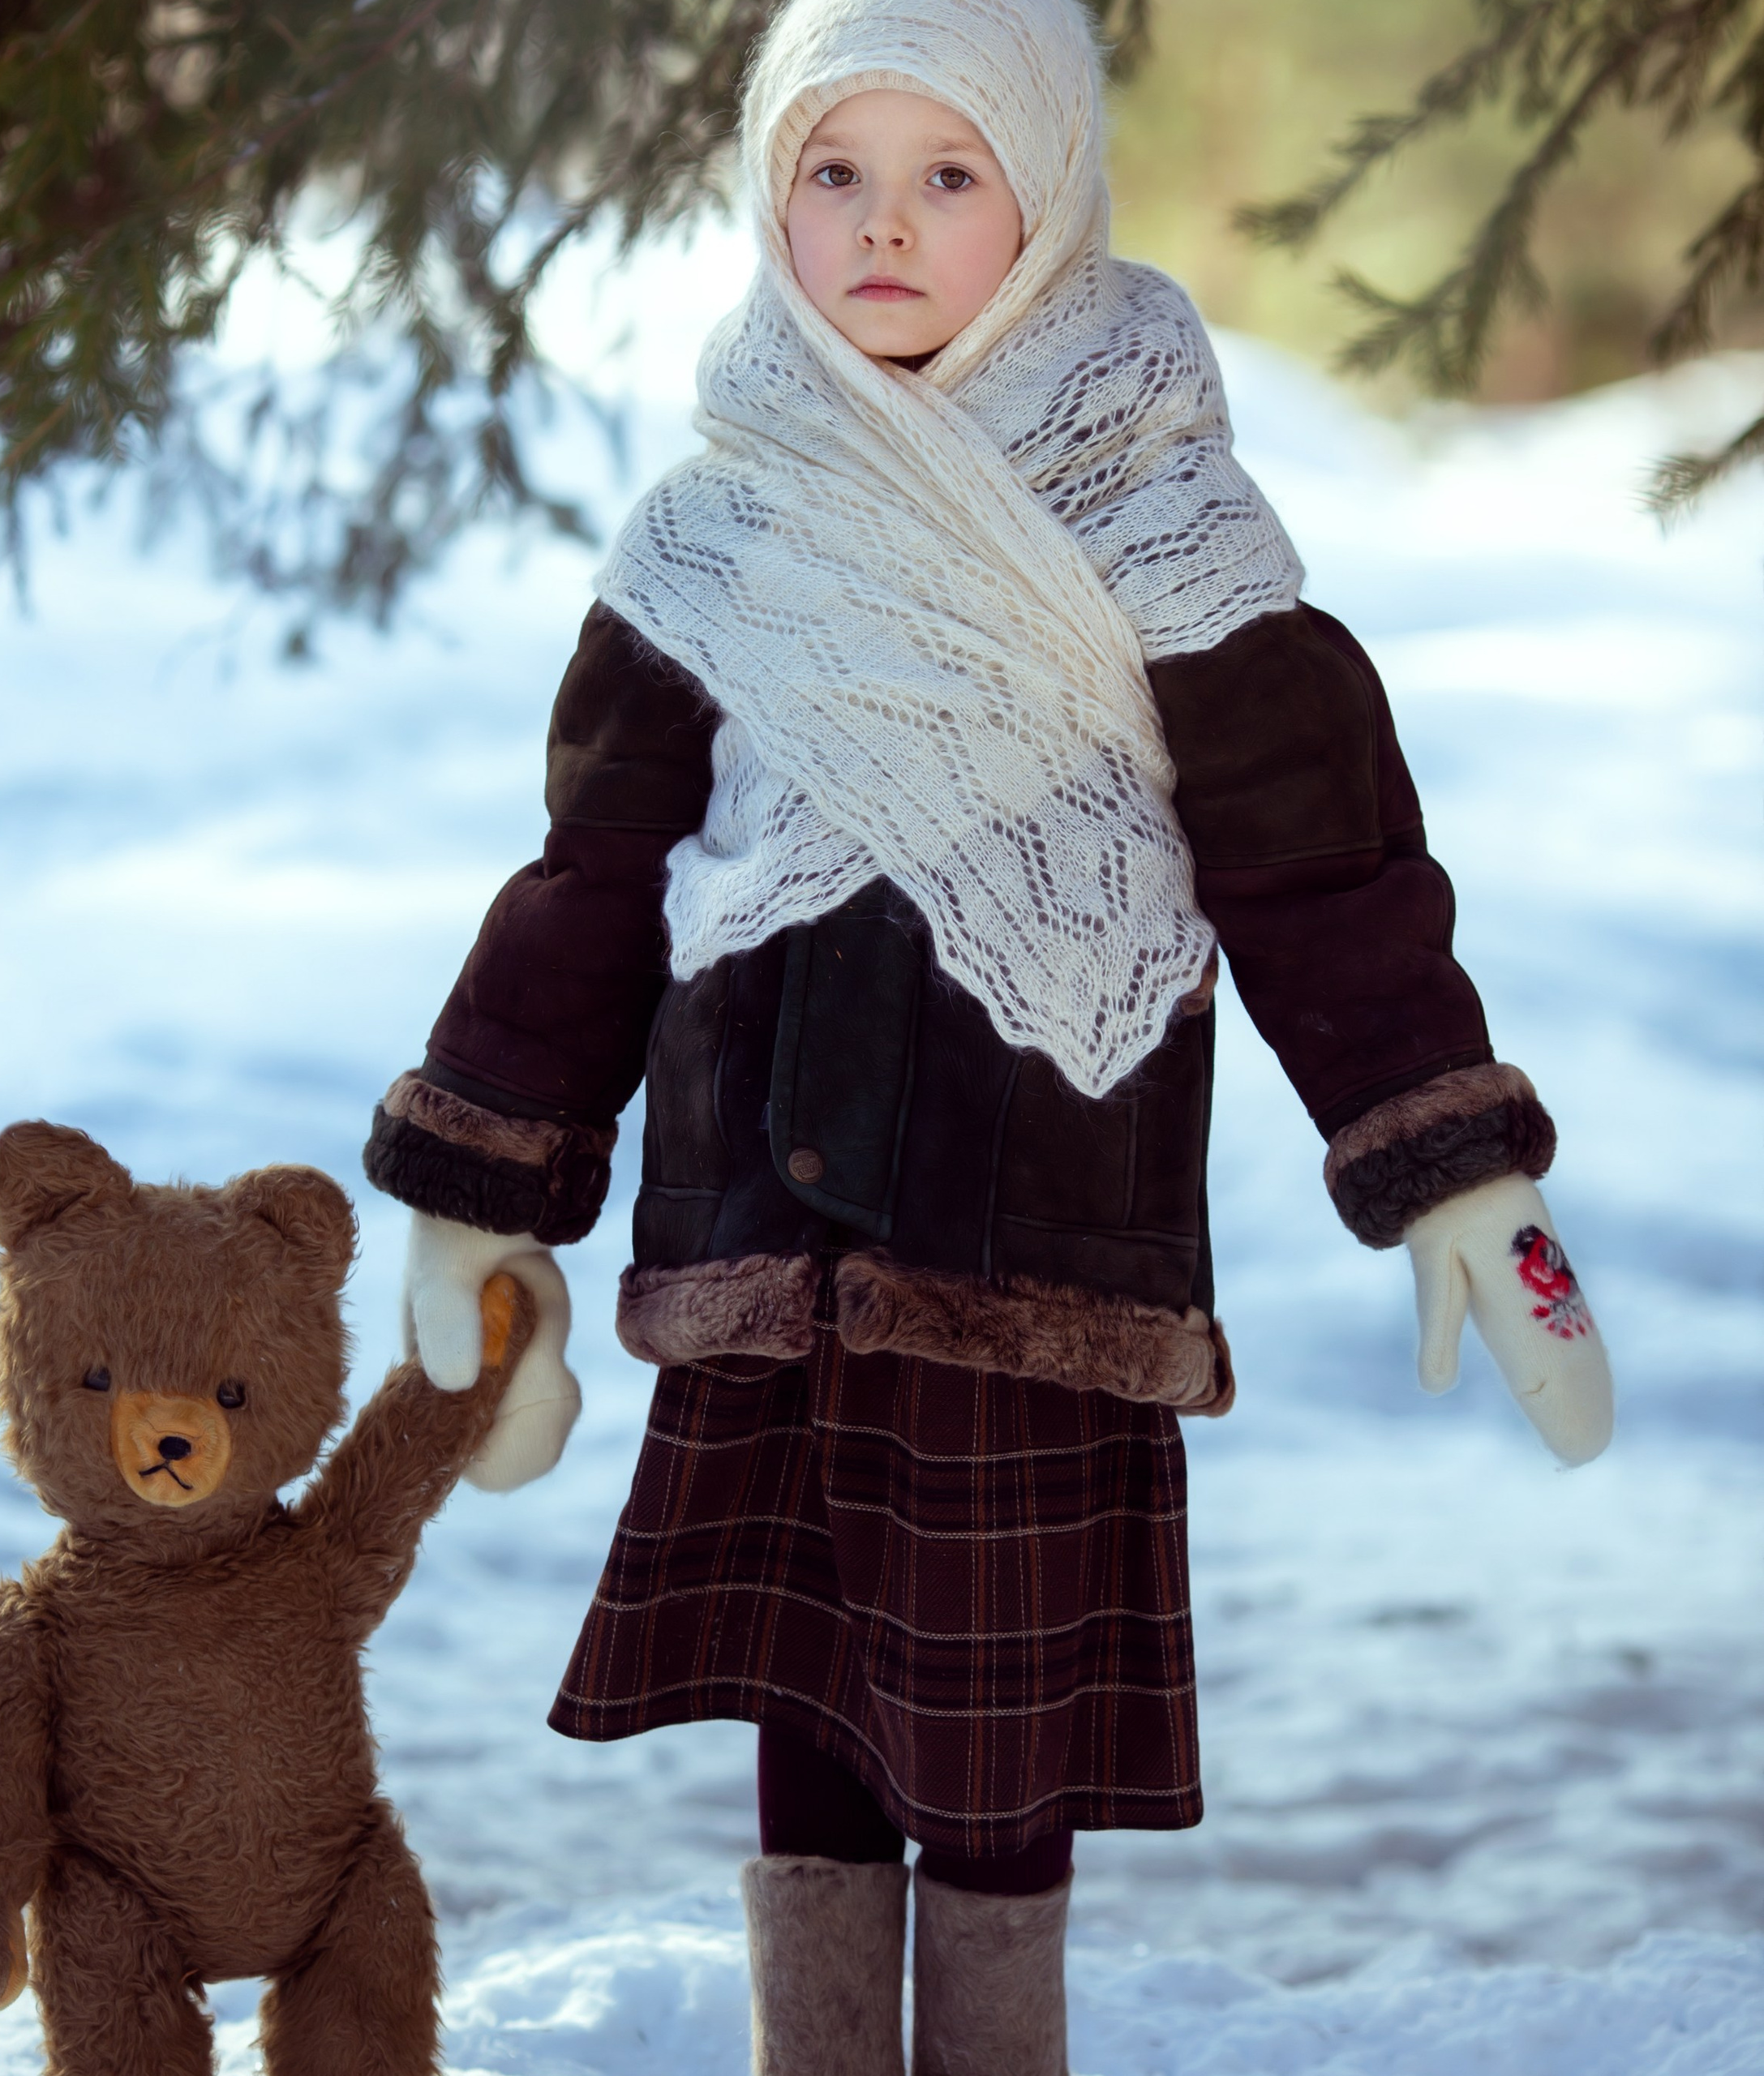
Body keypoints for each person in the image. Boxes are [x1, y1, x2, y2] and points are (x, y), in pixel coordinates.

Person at [363, 1, 1615, 2070]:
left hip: (1036, 1234)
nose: (883, 226)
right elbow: (593, 884)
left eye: (947, 175)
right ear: (773, 199)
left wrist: (1450, 1163)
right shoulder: (716, 532)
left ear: (1041, 201)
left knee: (997, 1744)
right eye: (832, 174)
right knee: (805, 1709)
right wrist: (485, 1195)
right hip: (763, 1212)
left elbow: (1319, 869)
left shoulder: (1166, 527)